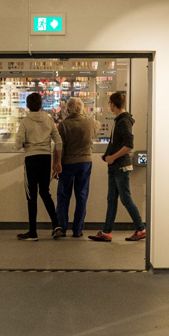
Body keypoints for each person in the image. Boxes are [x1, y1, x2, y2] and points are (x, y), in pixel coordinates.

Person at [89, 92, 146, 242]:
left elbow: (129, 145)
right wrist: (108, 155)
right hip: (115, 166)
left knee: (125, 199)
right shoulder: (120, 120)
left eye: (109, 103)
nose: (109, 106)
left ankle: (141, 229)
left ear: (113, 104)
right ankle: (107, 232)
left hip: (120, 166)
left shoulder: (123, 121)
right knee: (112, 199)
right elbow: (117, 142)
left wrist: (113, 157)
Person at [13, 92, 63, 240]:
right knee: (45, 192)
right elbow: (58, 141)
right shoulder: (48, 120)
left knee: (31, 195)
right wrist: (57, 161)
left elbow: (18, 143)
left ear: (28, 105)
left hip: (31, 159)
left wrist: (21, 145)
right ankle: (56, 225)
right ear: (41, 104)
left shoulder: (25, 122)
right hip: (46, 158)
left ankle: (33, 232)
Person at [55, 97, 99, 237]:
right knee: (81, 196)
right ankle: (77, 230)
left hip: (67, 163)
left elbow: (60, 147)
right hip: (85, 162)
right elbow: (98, 127)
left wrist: (57, 165)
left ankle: (61, 227)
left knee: (63, 196)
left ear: (67, 110)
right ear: (82, 109)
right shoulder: (91, 122)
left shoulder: (63, 125)